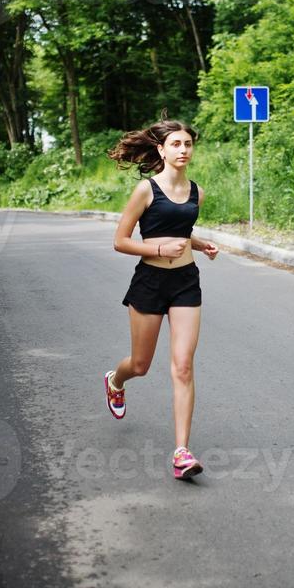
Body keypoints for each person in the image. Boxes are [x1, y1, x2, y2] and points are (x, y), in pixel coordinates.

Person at [105, 113, 219, 481]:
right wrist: (156, 250)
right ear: (161, 149)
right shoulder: (146, 191)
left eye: (188, 144)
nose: (183, 149)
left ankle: (181, 452)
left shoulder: (197, 192)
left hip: (186, 283)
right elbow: (120, 241)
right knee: (140, 365)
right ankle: (115, 382)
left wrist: (198, 244)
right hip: (150, 283)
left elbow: (179, 231)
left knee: (183, 366)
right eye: (176, 144)